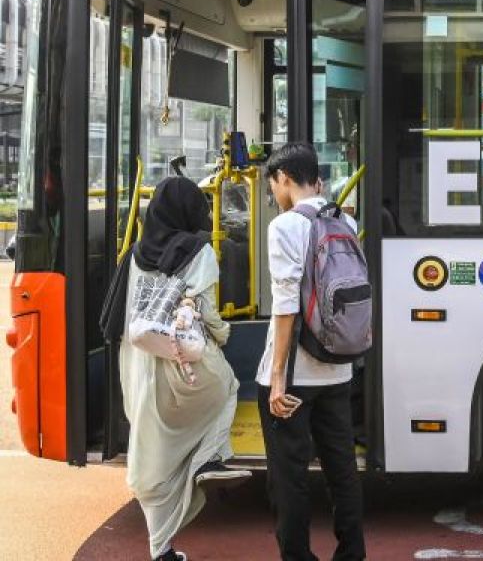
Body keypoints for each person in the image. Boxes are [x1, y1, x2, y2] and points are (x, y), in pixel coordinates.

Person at [121, 176, 249, 561]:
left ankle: (160, 550)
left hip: (140, 362)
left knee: (151, 452)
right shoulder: (199, 251)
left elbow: (127, 313)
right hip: (183, 361)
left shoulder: (135, 253)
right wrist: (224, 333)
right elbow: (206, 313)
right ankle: (209, 458)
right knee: (227, 385)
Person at [257, 141, 365, 561]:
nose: (274, 195)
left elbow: (286, 306)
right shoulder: (345, 223)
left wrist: (279, 376)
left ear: (284, 179)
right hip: (338, 367)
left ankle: (298, 556)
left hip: (296, 373)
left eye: (273, 186)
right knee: (342, 469)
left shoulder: (284, 226)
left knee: (289, 475)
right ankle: (352, 554)